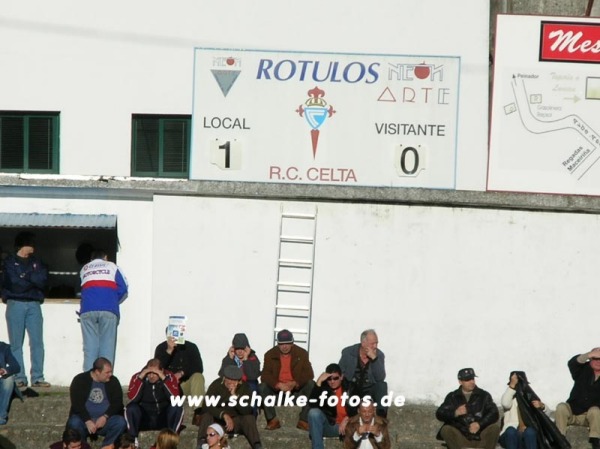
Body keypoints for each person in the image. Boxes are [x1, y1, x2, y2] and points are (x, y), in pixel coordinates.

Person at [1, 231, 50, 388]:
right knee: (16, 343)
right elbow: (13, 283)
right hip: (15, 303)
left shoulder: (37, 262)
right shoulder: (9, 262)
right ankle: (19, 377)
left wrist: (24, 277)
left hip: (34, 304)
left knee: (37, 342)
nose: (34, 246)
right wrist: (31, 279)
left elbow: (42, 280)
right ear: (23, 245)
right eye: (31, 243)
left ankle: (38, 377)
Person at [79, 250, 129, 371]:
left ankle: (88, 381)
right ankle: (105, 382)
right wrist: (111, 300)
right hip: (108, 309)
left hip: (87, 310)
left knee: (90, 348)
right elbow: (124, 288)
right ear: (105, 257)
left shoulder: (84, 268)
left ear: (91, 259)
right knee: (107, 347)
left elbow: (82, 289)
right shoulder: (112, 266)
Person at [195, 365, 263, 449]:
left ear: (239, 381)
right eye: (229, 379)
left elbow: (247, 410)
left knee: (249, 418)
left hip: (236, 421)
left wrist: (235, 397)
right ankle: (201, 443)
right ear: (224, 378)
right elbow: (207, 405)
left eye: (234, 380)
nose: (231, 382)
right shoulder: (216, 385)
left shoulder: (244, 387)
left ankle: (257, 445)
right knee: (207, 415)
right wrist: (223, 414)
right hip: (218, 422)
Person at [259, 329, 314, 431]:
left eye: (287, 343)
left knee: (312, 385)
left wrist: (295, 383)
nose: (284, 347)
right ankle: (272, 419)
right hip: (277, 394)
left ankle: (303, 420)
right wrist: (278, 385)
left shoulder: (302, 353)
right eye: (281, 344)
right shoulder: (270, 354)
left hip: (295, 393)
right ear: (278, 344)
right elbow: (264, 375)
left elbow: (309, 374)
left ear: (292, 343)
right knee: (262, 387)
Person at [66, 357, 127, 449]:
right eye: (107, 372)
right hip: (84, 420)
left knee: (120, 422)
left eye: (111, 371)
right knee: (74, 422)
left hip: (105, 420)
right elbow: (77, 404)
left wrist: (105, 417)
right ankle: (82, 446)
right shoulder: (80, 380)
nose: (110, 374)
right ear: (97, 372)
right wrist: (87, 420)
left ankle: (107, 446)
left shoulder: (113, 381)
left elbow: (117, 403)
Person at [124, 358, 184, 447]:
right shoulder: (138, 377)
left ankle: (171, 440)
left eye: (155, 373)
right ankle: (133, 440)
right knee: (131, 407)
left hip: (163, 417)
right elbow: (133, 398)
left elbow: (175, 398)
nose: (151, 376)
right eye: (149, 373)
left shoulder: (169, 376)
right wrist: (141, 378)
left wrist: (163, 378)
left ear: (161, 370)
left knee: (177, 407)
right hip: (145, 417)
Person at [436, 368, 500, 449]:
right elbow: (440, 413)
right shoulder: (453, 396)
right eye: (468, 380)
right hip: (461, 438)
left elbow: (494, 412)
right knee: (446, 429)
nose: (472, 382)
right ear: (460, 382)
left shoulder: (484, 395)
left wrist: (479, 424)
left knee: (494, 428)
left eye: (472, 379)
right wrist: (455, 413)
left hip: (481, 437)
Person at [555, 347, 600, 449]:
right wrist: (589, 354)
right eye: (595, 358)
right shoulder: (582, 370)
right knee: (561, 407)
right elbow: (572, 363)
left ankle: (595, 441)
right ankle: (559, 438)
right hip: (574, 412)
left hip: (592, 418)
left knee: (595, 410)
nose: (598, 362)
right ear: (590, 360)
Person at [339, 329, 387, 417]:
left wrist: (374, 359)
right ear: (363, 343)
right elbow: (340, 372)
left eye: (376, 343)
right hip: (352, 388)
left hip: (369, 389)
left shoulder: (379, 355)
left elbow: (380, 378)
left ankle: (381, 418)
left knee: (382, 385)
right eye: (372, 343)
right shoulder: (348, 352)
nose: (375, 346)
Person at [308, 363, 351, 449]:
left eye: (335, 378)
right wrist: (318, 382)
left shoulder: (351, 387)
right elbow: (312, 404)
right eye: (329, 379)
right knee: (313, 413)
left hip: (349, 425)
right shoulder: (323, 388)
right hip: (331, 426)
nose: (332, 381)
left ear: (341, 377)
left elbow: (359, 408)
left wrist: (347, 419)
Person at [499, 371, 545, 449]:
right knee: (511, 431)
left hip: (525, 435)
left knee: (530, 432)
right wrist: (512, 385)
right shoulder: (510, 396)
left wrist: (541, 405)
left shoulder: (529, 397)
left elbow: (545, 413)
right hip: (510, 437)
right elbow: (505, 403)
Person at [218, 333, 260, 415]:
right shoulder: (229, 358)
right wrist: (230, 359)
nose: (240, 351)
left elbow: (252, 376)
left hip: (247, 385)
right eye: (237, 349)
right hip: (233, 384)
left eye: (242, 348)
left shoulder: (253, 358)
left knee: (253, 387)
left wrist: (245, 360)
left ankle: (252, 415)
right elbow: (222, 374)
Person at [154, 331, 205, 398]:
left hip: (186, 384)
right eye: (171, 333)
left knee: (198, 377)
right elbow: (157, 369)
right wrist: (169, 351)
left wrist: (181, 373)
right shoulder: (161, 348)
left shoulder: (191, 347)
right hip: (168, 386)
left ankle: (198, 408)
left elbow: (198, 368)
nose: (174, 336)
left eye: (177, 332)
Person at [0, 340, 20, 425]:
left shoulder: (3, 347)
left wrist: (4, 371)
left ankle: (1, 416)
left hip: (1, 380)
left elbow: (16, 366)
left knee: (9, 380)